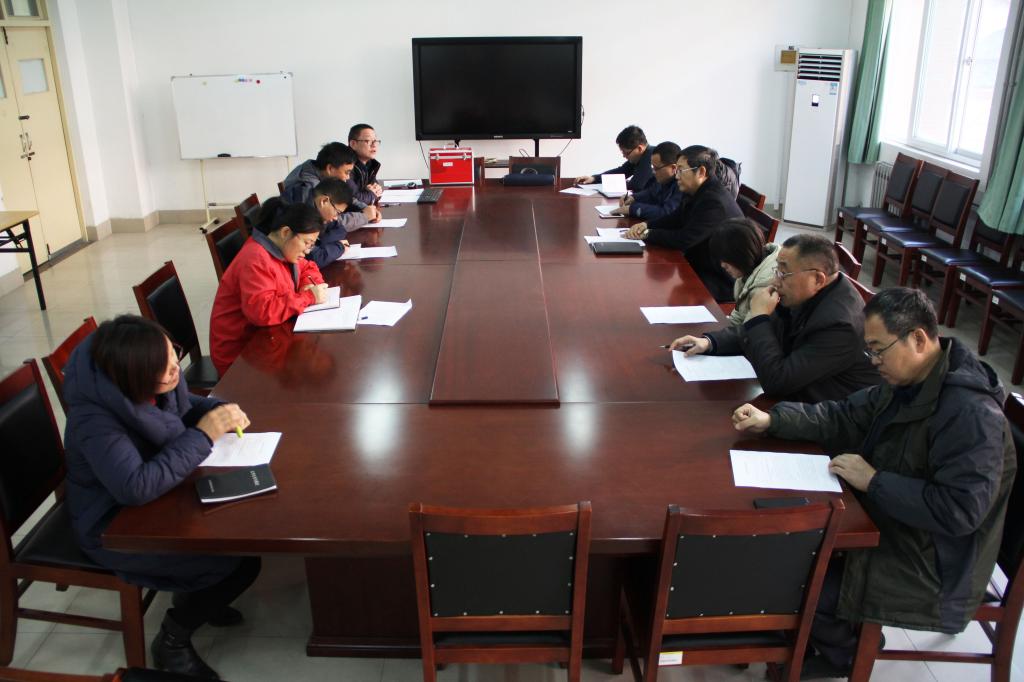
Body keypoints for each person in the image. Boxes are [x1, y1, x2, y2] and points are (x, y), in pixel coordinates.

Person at [731, 288, 1016, 678]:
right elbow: (846, 415)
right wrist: (773, 420)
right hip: (896, 526)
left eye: (879, 350)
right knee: (783, 544)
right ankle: (807, 635)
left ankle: (846, 653)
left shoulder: (970, 415)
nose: (874, 361)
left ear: (918, 339)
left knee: (793, 581)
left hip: (933, 562)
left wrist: (874, 481)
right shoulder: (914, 380)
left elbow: (960, 511)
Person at [63, 315, 261, 678]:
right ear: (134, 377)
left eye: (175, 356)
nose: (175, 371)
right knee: (234, 561)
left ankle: (199, 595)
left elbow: (182, 405)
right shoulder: (94, 419)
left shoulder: (149, 374)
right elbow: (135, 487)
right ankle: (173, 640)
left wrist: (217, 410)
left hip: (159, 498)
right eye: (165, 369)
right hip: (111, 524)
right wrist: (203, 436)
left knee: (239, 533)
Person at [671, 233, 880, 402]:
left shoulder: (839, 325)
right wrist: (710, 342)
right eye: (776, 270)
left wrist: (758, 316)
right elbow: (766, 330)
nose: (775, 281)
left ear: (818, 279)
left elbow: (777, 382)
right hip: (796, 395)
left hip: (824, 413)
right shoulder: (804, 293)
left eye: (783, 273)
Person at [210, 200, 327, 375]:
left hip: (266, 338)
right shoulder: (256, 259)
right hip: (240, 356)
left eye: (312, 245)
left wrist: (307, 285)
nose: (308, 250)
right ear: (286, 232)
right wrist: (308, 297)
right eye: (307, 243)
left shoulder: (283, 249)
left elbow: (308, 267)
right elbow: (262, 312)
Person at [624, 145, 742, 301]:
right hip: (699, 262)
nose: (676, 175)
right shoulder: (697, 189)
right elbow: (677, 216)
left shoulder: (714, 202)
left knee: (656, 295)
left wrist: (647, 234)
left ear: (701, 172)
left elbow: (684, 240)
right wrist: (647, 224)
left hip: (719, 278)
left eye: (680, 170)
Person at [282, 142, 380, 224]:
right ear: (330, 168)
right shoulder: (308, 187)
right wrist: (364, 217)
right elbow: (325, 223)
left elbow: (342, 197)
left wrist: (366, 209)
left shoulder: (320, 172)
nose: (348, 177)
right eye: (347, 172)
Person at [709, 217, 780, 325]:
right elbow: (739, 315)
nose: (722, 265)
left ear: (741, 254)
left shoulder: (764, 288)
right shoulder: (749, 268)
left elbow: (750, 330)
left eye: (726, 259)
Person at [608, 141, 683, 221]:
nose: (653, 172)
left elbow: (665, 213)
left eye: (656, 168)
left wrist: (632, 209)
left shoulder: (682, 184)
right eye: (652, 167)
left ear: (673, 168)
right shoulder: (664, 178)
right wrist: (634, 197)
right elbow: (651, 192)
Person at [573, 125, 655, 192]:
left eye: (626, 153)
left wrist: (611, 184)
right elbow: (622, 171)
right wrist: (594, 178)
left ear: (639, 149)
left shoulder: (651, 157)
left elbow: (636, 185)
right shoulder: (640, 156)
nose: (624, 156)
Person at [305, 178, 355, 268]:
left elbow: (340, 229)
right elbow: (314, 259)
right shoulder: (302, 214)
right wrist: (339, 247)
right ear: (324, 201)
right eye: (337, 212)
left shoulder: (319, 210)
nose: (336, 217)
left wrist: (322, 246)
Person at [348, 124, 383, 206]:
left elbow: (375, 189)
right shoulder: (345, 165)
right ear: (353, 144)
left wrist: (374, 192)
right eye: (368, 140)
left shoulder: (369, 164)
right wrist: (372, 195)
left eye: (375, 141)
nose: (374, 145)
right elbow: (353, 200)